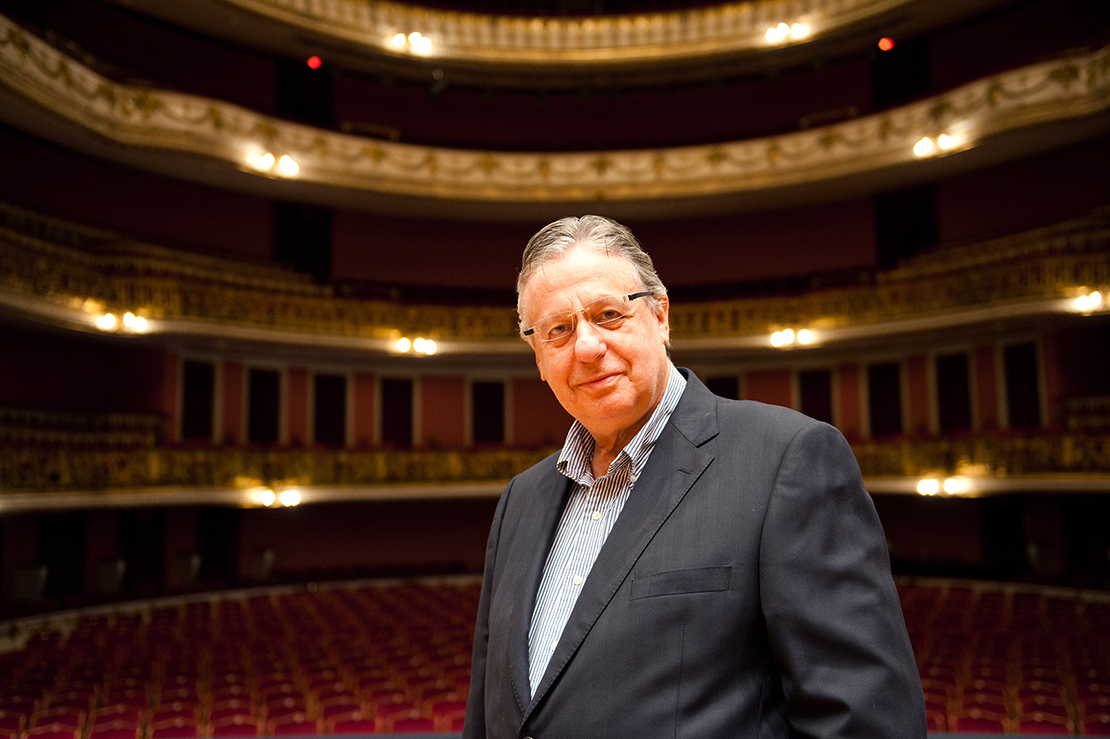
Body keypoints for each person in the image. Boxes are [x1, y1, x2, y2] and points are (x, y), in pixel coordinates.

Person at [463, 215, 926, 739]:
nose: (587, 348)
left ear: (660, 316)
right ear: (539, 358)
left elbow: (863, 722)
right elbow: (488, 716)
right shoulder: (519, 501)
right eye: (558, 330)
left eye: (609, 314)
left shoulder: (786, 460)